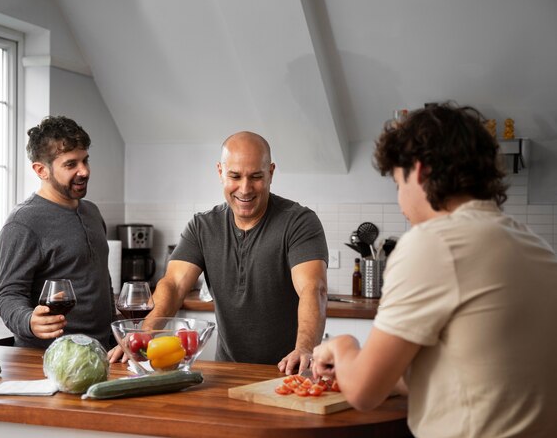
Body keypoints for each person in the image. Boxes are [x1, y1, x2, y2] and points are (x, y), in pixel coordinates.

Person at [312, 102, 557, 437]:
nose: (400, 203)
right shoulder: (536, 246)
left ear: (421, 170)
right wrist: (360, 370)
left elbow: (364, 393)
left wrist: (341, 345)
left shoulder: (433, 244)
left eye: (399, 184)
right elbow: (478, 378)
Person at [109, 131, 328, 375]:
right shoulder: (202, 226)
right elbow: (173, 285)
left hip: (288, 371)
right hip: (227, 372)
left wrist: (305, 348)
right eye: (235, 176)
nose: (245, 189)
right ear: (220, 172)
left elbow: (313, 288)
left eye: (256, 176)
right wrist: (143, 335)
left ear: (271, 173)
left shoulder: (299, 222)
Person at [0, 116, 115, 349]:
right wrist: (29, 320)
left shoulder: (91, 211)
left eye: (85, 160)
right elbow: (8, 295)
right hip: (49, 356)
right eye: (71, 164)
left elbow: (102, 280)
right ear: (41, 170)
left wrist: (116, 329)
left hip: (101, 350)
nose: (84, 171)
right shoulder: (23, 223)